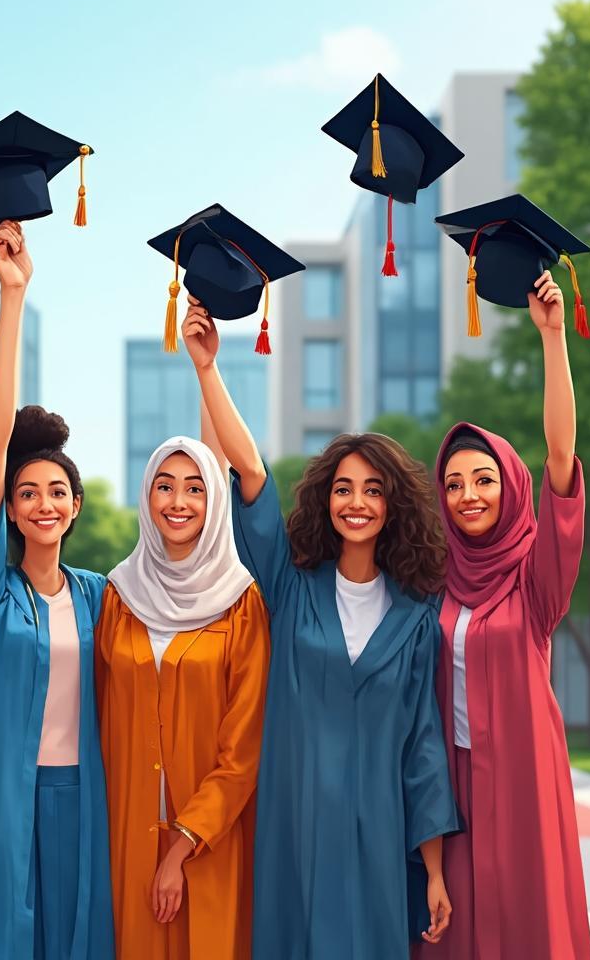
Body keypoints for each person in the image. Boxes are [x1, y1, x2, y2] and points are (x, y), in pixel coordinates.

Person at [181, 297, 460, 958]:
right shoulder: (288, 588)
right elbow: (248, 476)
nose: (356, 502)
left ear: (391, 506)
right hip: (295, 825)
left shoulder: (417, 618)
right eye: (343, 488)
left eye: (371, 490)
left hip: (377, 834)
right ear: (324, 499)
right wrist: (206, 370)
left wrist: (438, 871)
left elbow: (423, 747)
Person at [0, 221, 114, 960]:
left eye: (58, 492)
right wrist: (13, 296)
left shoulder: (104, 595)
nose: (43, 502)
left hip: (81, 798)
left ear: (75, 506)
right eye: (27, 493)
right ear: (9, 508)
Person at [424, 268, 590, 959]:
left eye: (484, 479)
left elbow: (560, 457)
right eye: (455, 482)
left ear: (510, 486)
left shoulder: (535, 578)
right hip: (452, 788)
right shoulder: (435, 580)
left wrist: (552, 340)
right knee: (456, 931)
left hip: (523, 775)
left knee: (528, 925)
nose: (468, 494)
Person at [96, 431, 270, 958]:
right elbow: (101, 719)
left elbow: (243, 750)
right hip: (127, 834)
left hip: (210, 842)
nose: (179, 502)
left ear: (215, 502)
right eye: (164, 486)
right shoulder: (119, 597)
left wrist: (183, 846)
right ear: (146, 498)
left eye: (196, 488)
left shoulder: (240, 603)